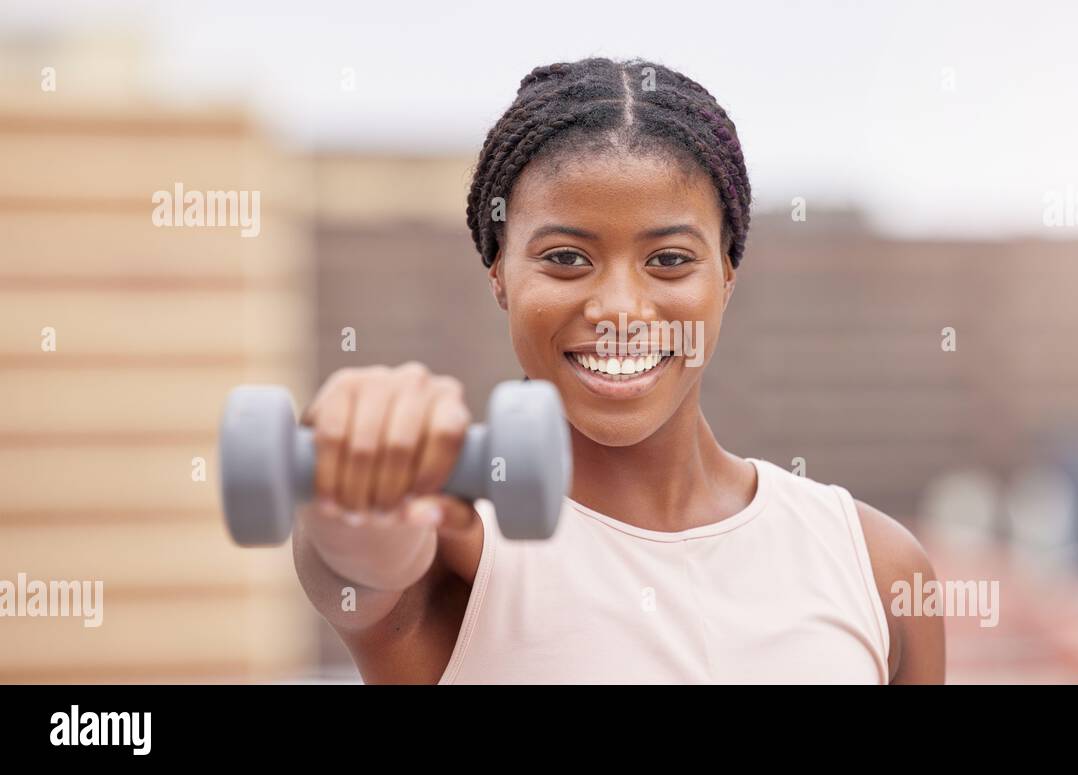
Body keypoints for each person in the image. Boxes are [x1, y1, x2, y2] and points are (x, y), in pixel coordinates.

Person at [291, 57, 944, 683]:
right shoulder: (451, 547)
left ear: (727, 274)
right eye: (566, 258)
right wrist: (354, 460)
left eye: (670, 260)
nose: (621, 311)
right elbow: (358, 554)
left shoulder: (876, 567)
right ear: (499, 273)